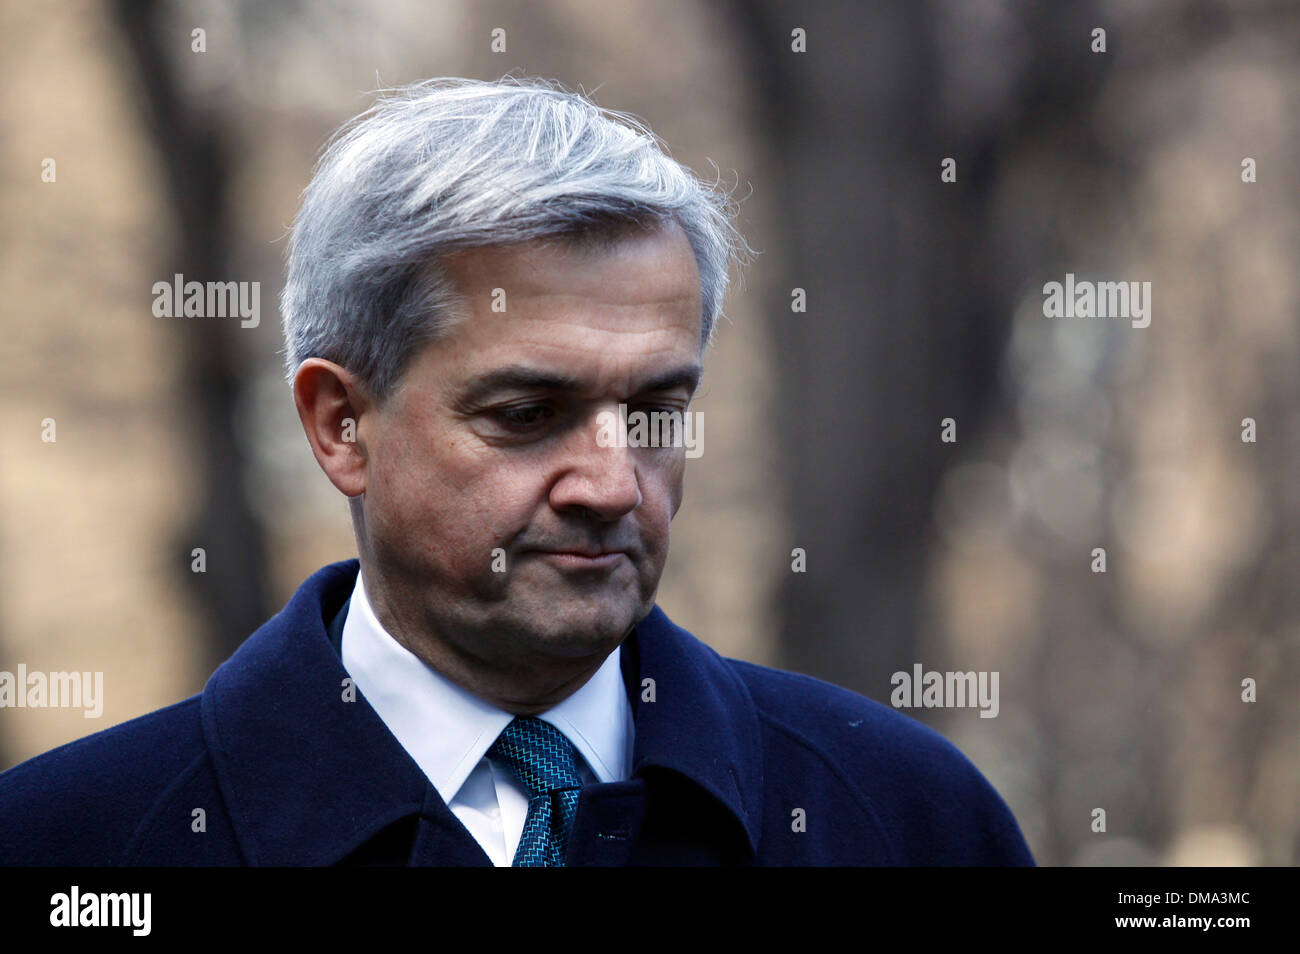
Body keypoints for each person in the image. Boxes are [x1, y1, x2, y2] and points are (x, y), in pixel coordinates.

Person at [0, 76, 1034, 866]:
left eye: (654, 412)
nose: (612, 484)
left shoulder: (904, 818)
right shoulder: (78, 844)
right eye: (528, 414)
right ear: (340, 424)